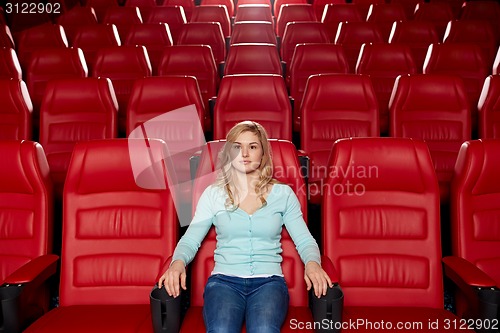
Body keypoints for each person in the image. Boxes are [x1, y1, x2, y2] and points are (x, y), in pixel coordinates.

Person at [158, 121, 332, 333]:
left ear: (263, 153)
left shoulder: (283, 194)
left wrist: (313, 263)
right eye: (237, 147)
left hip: (269, 283)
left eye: (253, 146)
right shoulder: (213, 194)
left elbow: (305, 240)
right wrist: (177, 263)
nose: (245, 153)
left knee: (264, 329)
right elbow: (191, 239)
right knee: (221, 329)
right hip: (223, 282)